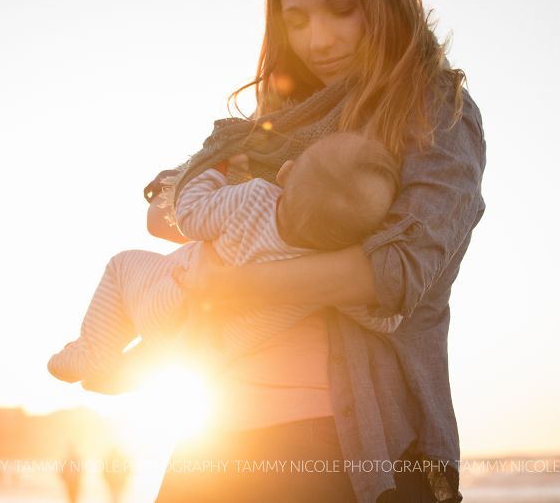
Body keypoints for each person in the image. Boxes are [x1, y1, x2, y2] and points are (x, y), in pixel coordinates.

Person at [141, 0, 486, 503]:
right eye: (297, 20)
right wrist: (220, 187)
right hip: (217, 445)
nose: (318, 39)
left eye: (341, 9)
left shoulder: (433, 109)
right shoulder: (270, 124)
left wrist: (232, 289)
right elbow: (170, 210)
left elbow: (395, 271)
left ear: (386, 1)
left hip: (351, 449)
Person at [47, 132, 402, 387]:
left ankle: (94, 349)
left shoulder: (253, 198)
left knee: (123, 265)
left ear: (286, 172)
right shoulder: (328, 271)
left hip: (170, 301)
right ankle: (132, 365)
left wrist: (214, 166)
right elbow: (380, 316)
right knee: (166, 329)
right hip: (213, 356)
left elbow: (189, 214)